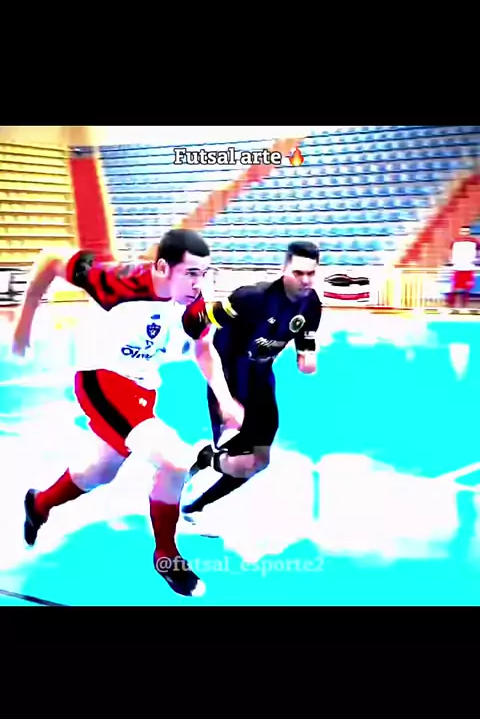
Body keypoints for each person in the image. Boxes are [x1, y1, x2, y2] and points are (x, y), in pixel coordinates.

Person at [11, 229, 244, 597]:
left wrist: (225, 399)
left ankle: (39, 504)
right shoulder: (117, 281)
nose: (198, 283)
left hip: (142, 388)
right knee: (175, 461)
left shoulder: (193, 301)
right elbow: (51, 258)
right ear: (163, 267)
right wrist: (25, 320)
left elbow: (203, 348)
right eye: (190, 273)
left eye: (203, 273)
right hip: (101, 380)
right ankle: (166, 554)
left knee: (97, 472)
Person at [180, 240, 322, 518]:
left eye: (311, 273)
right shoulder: (251, 298)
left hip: (261, 379)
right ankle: (202, 470)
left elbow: (305, 344)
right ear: (284, 270)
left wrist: (307, 358)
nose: (305, 280)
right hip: (230, 378)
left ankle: (195, 504)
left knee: (260, 461)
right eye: (298, 273)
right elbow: (200, 322)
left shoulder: (312, 305)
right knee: (240, 460)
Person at [448, 225, 480, 311]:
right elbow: (451, 252)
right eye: (463, 231)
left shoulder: (474, 241)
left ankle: (464, 307)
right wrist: (451, 261)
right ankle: (451, 306)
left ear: (469, 232)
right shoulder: (455, 241)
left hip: (469, 268)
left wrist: (476, 261)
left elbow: (478, 252)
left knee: (467, 288)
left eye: (466, 231)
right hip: (457, 268)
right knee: (454, 288)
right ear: (460, 232)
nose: (465, 233)